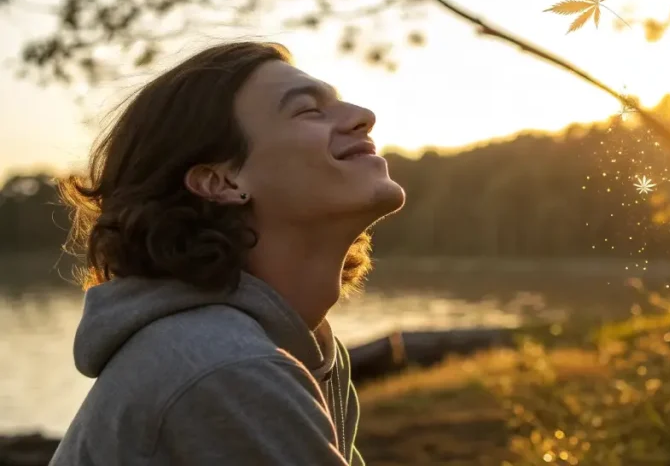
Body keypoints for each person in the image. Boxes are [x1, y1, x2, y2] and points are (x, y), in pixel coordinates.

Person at [48, 41, 406, 466]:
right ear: (220, 182)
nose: (364, 115)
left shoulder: (305, 350)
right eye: (309, 110)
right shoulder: (224, 366)